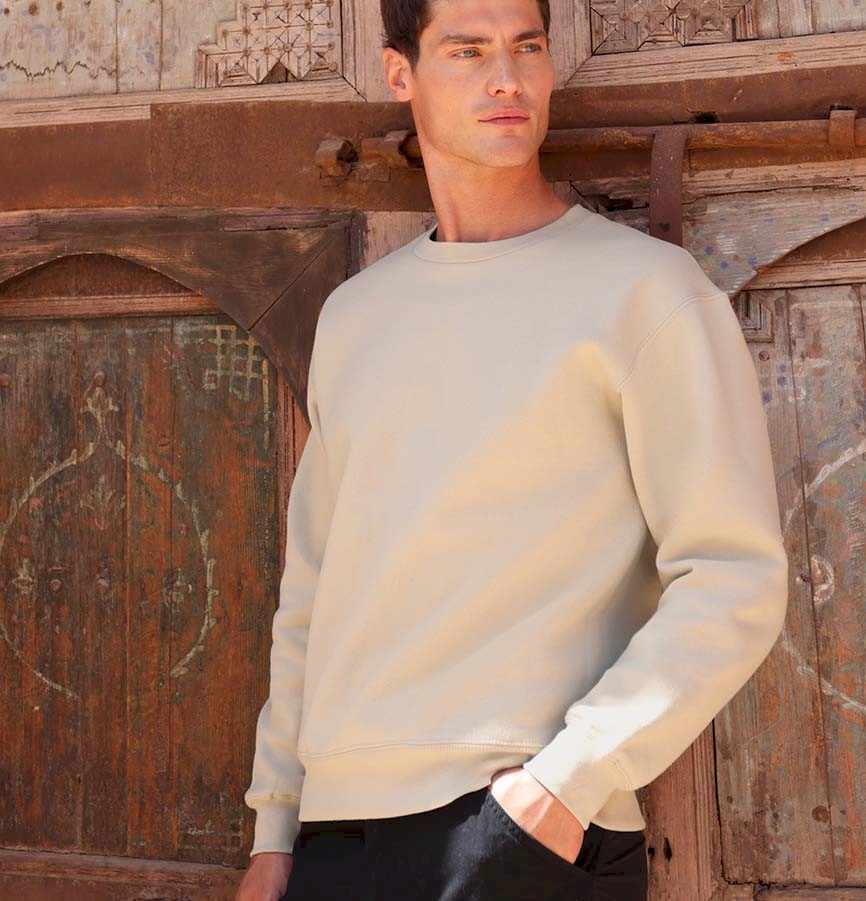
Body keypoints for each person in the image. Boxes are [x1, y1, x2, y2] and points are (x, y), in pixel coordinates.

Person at [234, 0, 790, 898]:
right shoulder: (354, 318)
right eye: (468, 51)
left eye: (527, 47)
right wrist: (275, 826)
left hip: (523, 832)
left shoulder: (645, 293)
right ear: (401, 73)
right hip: (333, 839)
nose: (508, 79)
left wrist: (564, 783)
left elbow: (735, 575)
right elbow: (311, 592)